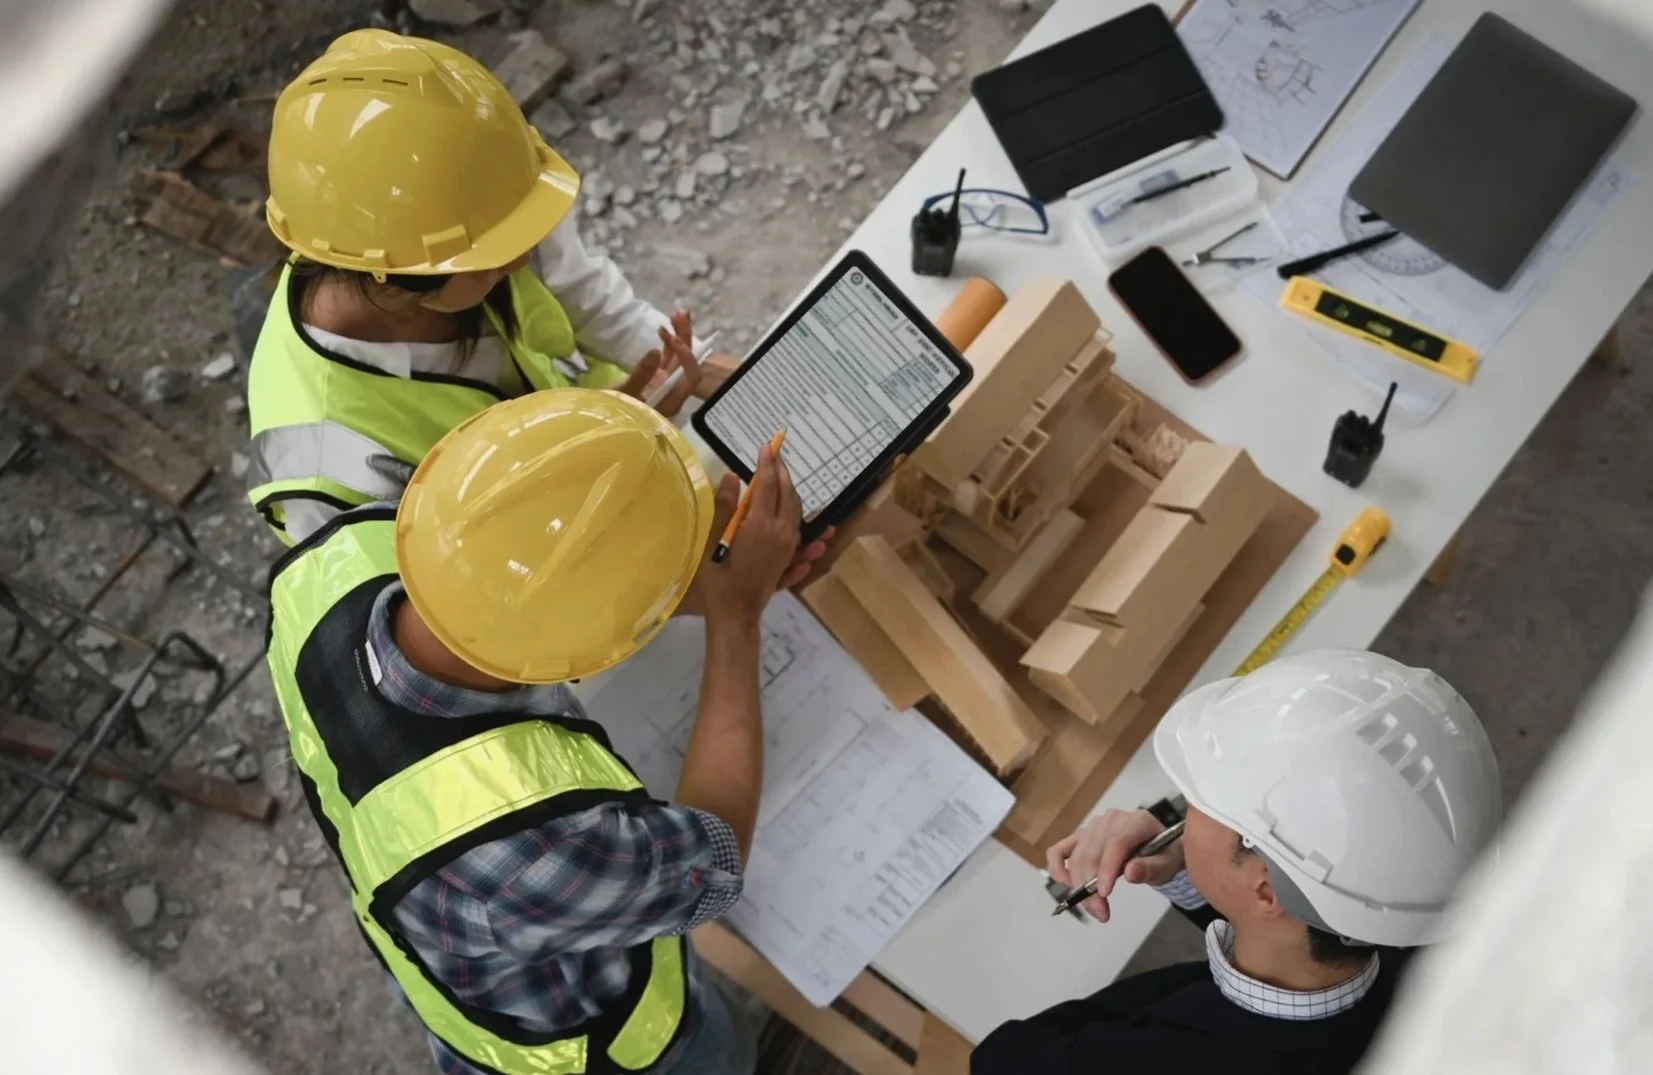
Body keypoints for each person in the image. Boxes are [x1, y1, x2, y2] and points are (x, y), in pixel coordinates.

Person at [264, 387, 826, 1075]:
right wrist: (735, 615)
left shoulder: (346, 554)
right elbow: (710, 858)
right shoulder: (526, 852)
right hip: (609, 1053)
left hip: (430, 932)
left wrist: (655, 559)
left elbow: (522, 562)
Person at [245, 28, 739, 545]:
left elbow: (584, 293)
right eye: (489, 260)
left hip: (630, 449)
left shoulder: (477, 198)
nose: (524, 258)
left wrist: (711, 372)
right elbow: (465, 604)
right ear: (385, 276)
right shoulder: (324, 467)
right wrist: (605, 454)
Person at [972, 650, 1503, 1075]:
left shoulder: (1153, 1057)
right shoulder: (1401, 939)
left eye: (1206, 805)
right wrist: (1188, 866)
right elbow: (1291, 923)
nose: (1185, 804)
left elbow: (1002, 1059)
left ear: (1266, 890)